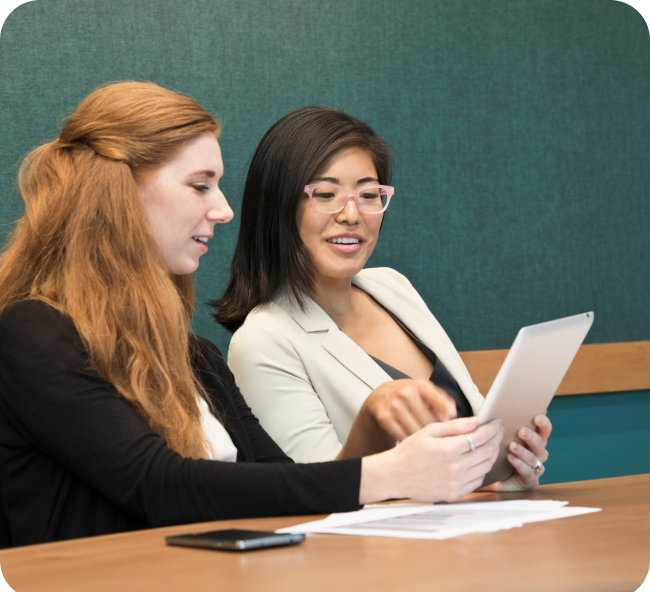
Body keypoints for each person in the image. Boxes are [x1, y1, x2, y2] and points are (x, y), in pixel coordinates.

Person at [0, 83, 503, 548]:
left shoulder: (196, 357)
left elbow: (283, 485)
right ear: (119, 193)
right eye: (200, 186)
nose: (223, 209)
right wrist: (393, 474)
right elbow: (161, 485)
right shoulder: (31, 335)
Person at [215, 106, 550, 489]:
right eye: (326, 194)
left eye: (369, 193)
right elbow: (312, 495)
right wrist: (372, 421)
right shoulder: (262, 340)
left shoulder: (392, 286)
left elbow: (472, 436)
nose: (352, 214)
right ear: (279, 206)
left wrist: (511, 466)